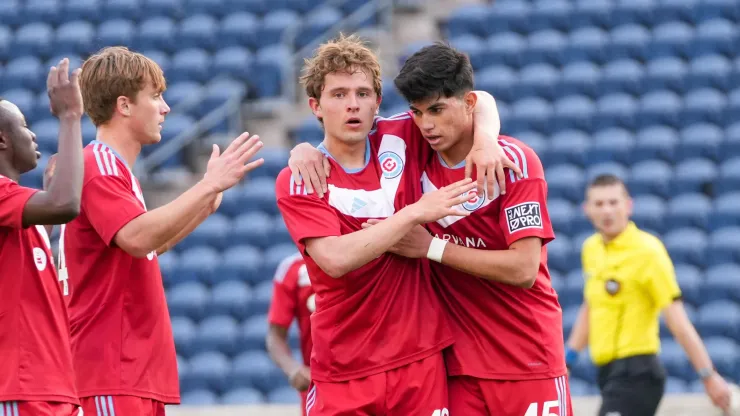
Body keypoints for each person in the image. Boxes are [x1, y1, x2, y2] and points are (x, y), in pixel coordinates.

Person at [298, 43, 572, 416]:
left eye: (438, 110)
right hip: (456, 368)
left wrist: (431, 248)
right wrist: (304, 150)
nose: (427, 124)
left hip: (527, 357)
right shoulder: (411, 147)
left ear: (467, 104)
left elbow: (524, 270)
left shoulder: (513, 163)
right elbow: (343, 132)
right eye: (417, 112)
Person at [58, 46, 265, 416]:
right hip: (110, 371)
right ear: (124, 105)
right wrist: (205, 187)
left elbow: (150, 244)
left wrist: (204, 204)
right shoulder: (99, 165)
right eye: (155, 96)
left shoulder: (116, 170)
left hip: (131, 373)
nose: (165, 107)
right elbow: (137, 238)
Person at [566, 174, 732, 416]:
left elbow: (677, 319)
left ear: (628, 205)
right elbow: (590, 306)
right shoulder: (590, 249)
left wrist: (708, 375)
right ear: (587, 209)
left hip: (639, 372)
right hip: (606, 371)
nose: (607, 210)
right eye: (599, 204)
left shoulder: (648, 251)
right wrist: (568, 360)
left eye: (613, 202)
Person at [0, 59, 84, 415]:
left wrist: (48, 203)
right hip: (20, 388)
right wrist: (69, 117)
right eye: (24, 126)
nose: (33, 135)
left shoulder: (17, 210)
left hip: (53, 387)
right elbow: (65, 204)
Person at [266, 252, 314, 415]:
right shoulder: (292, 268)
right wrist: (293, 369)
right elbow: (275, 336)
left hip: (372, 378)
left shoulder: (371, 254)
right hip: (318, 384)